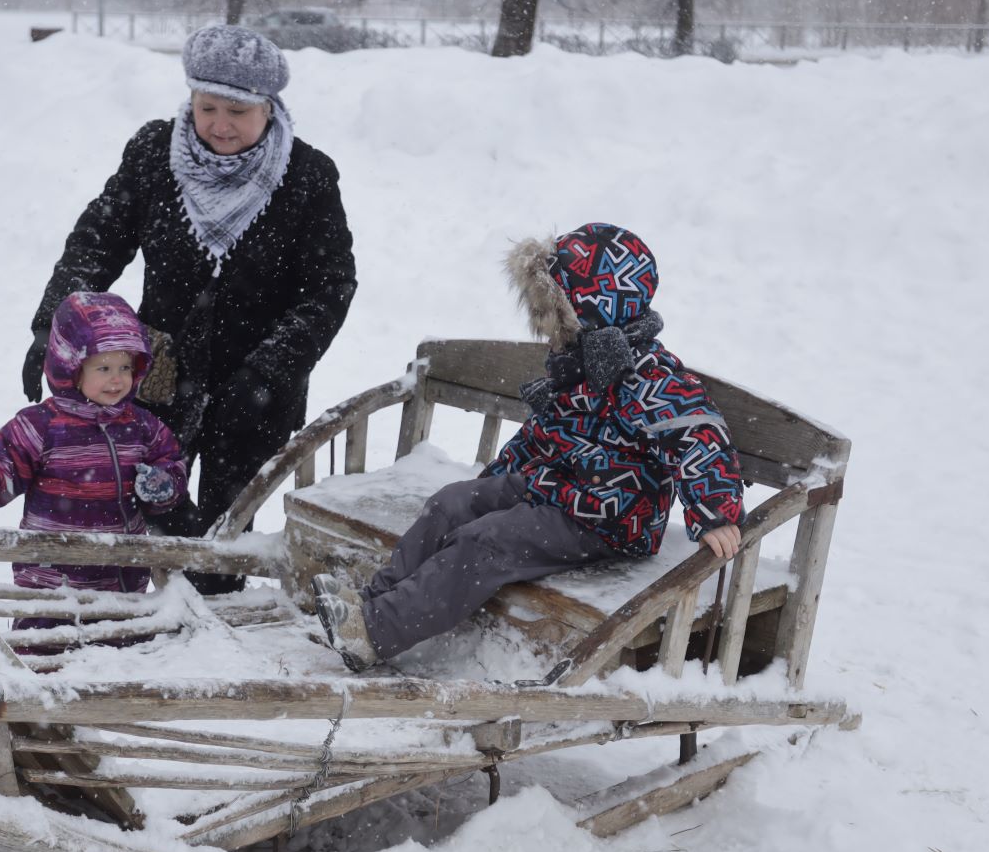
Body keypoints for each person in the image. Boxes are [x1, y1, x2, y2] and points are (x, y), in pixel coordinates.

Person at [312, 223, 745, 672]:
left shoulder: (652, 376)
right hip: (558, 490)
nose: (550, 322)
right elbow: (545, 433)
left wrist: (715, 511)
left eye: (559, 307)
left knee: (486, 541)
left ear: (597, 306)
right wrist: (491, 487)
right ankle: (371, 604)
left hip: (609, 515)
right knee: (451, 505)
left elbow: (698, 435)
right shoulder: (580, 359)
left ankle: (376, 632)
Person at [24, 23, 358, 593]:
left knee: (226, 534)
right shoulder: (156, 153)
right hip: (159, 376)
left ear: (269, 109)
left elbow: (329, 288)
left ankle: (212, 640)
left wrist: (268, 372)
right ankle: (136, 624)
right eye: (207, 108)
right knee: (145, 506)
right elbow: (96, 244)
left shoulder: (305, 175)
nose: (219, 126)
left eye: (237, 112)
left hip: (255, 388)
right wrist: (53, 329)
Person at [0, 292, 187, 619]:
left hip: (122, 578)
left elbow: (171, 462)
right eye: (103, 368)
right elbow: (6, 464)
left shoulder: (142, 426)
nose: (117, 379)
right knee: (46, 649)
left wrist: (164, 484)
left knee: (118, 650)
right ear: (71, 368)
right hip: (51, 578)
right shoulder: (41, 425)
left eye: (125, 367)